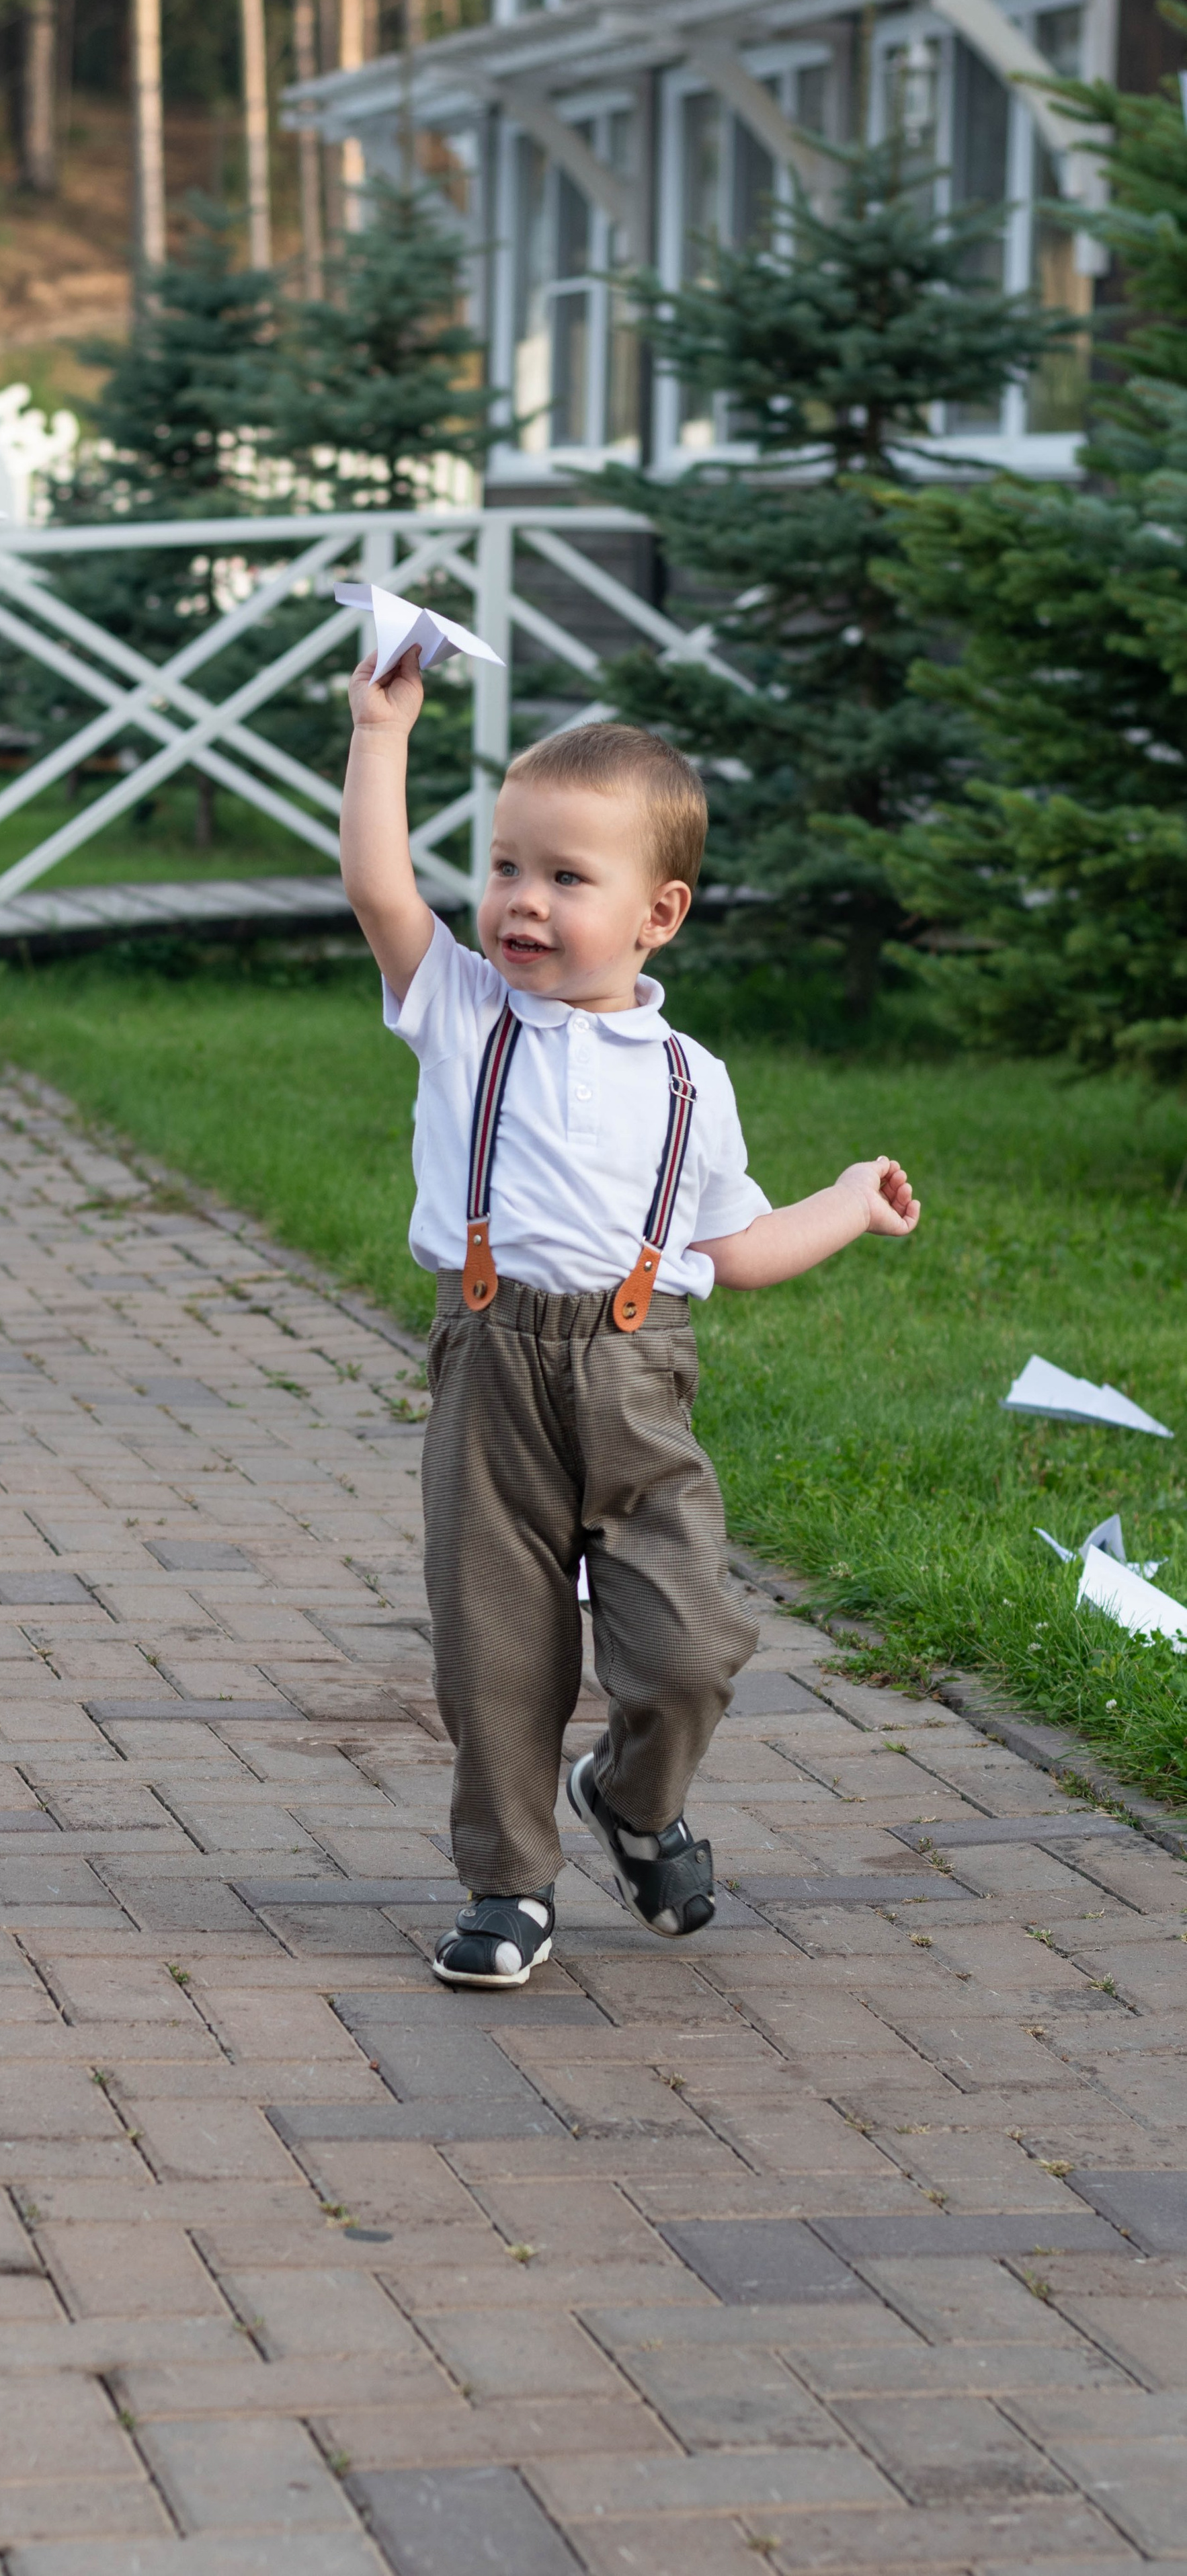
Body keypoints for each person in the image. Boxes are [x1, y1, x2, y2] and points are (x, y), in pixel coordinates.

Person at [341, 647, 920, 1988]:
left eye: (564, 878)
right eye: (504, 869)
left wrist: (842, 1200)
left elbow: (738, 1241)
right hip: (491, 1367)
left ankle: (636, 1797)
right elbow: (377, 885)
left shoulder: (686, 1079)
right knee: (495, 1647)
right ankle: (508, 1885)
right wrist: (381, 732)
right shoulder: (464, 1015)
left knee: (691, 1646)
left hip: (635, 1378)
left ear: (657, 914)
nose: (520, 903)